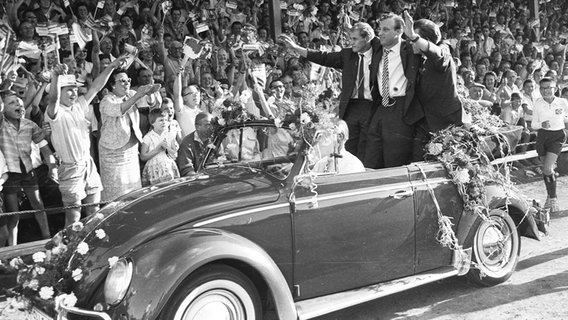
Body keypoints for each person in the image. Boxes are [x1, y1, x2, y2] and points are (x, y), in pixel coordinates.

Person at [279, 22, 381, 161]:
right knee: (348, 146)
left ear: (367, 39)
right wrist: (297, 48)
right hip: (352, 107)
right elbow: (323, 57)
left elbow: (377, 39)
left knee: (368, 147)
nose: (351, 43)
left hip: (372, 107)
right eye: (350, 38)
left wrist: (354, 28)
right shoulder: (347, 54)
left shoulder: (379, 52)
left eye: (355, 39)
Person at [46, 57, 125, 226]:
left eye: (75, 89)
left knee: (94, 210)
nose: (73, 93)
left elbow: (96, 87)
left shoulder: (79, 105)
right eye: (68, 90)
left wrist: (111, 66)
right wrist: (55, 78)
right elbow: (53, 99)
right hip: (70, 167)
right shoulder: (54, 112)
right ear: (58, 91)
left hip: (88, 164)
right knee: (74, 216)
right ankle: (67, 249)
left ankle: (92, 244)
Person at [0, 90, 58, 246]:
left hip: (28, 170)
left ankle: (47, 238)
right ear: (2, 108)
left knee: (38, 204)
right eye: (11, 103)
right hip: (9, 174)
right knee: (14, 214)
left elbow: (43, 144)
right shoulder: (1, 124)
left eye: (19, 101)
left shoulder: (29, 124)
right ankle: (13, 249)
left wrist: (52, 164)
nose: (18, 104)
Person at [364, 13, 422, 168]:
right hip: (381, 107)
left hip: (401, 108)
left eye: (385, 29)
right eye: (379, 29)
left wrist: (414, 36)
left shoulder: (411, 49)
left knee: (394, 159)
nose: (380, 33)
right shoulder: (377, 48)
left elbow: (436, 48)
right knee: (371, 155)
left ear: (399, 31)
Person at [403, 13, 463, 160]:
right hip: (425, 122)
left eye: (413, 39)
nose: (411, 43)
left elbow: (438, 53)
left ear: (426, 41)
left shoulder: (442, 54)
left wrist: (415, 37)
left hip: (445, 123)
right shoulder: (419, 58)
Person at [98, 71, 161, 201]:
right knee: (116, 193)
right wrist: (139, 95)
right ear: (112, 85)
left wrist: (150, 93)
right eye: (122, 81)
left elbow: (150, 103)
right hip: (112, 153)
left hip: (131, 149)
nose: (126, 83)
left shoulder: (131, 94)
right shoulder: (106, 100)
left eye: (128, 80)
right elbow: (120, 110)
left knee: (133, 189)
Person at [531, 77, 568, 213]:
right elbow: (533, 124)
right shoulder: (538, 103)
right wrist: (542, 124)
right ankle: (550, 196)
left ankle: (553, 200)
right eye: (542, 88)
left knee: (547, 168)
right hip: (542, 137)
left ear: (555, 88)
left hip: (557, 136)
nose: (546, 91)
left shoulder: (562, 102)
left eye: (548, 87)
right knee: (547, 170)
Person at [140, 109, 180, 186]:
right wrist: (157, 150)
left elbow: (175, 154)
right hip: (154, 168)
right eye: (161, 120)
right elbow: (143, 156)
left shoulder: (169, 135)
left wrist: (167, 148)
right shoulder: (148, 137)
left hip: (168, 166)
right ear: (152, 123)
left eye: (166, 120)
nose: (164, 122)